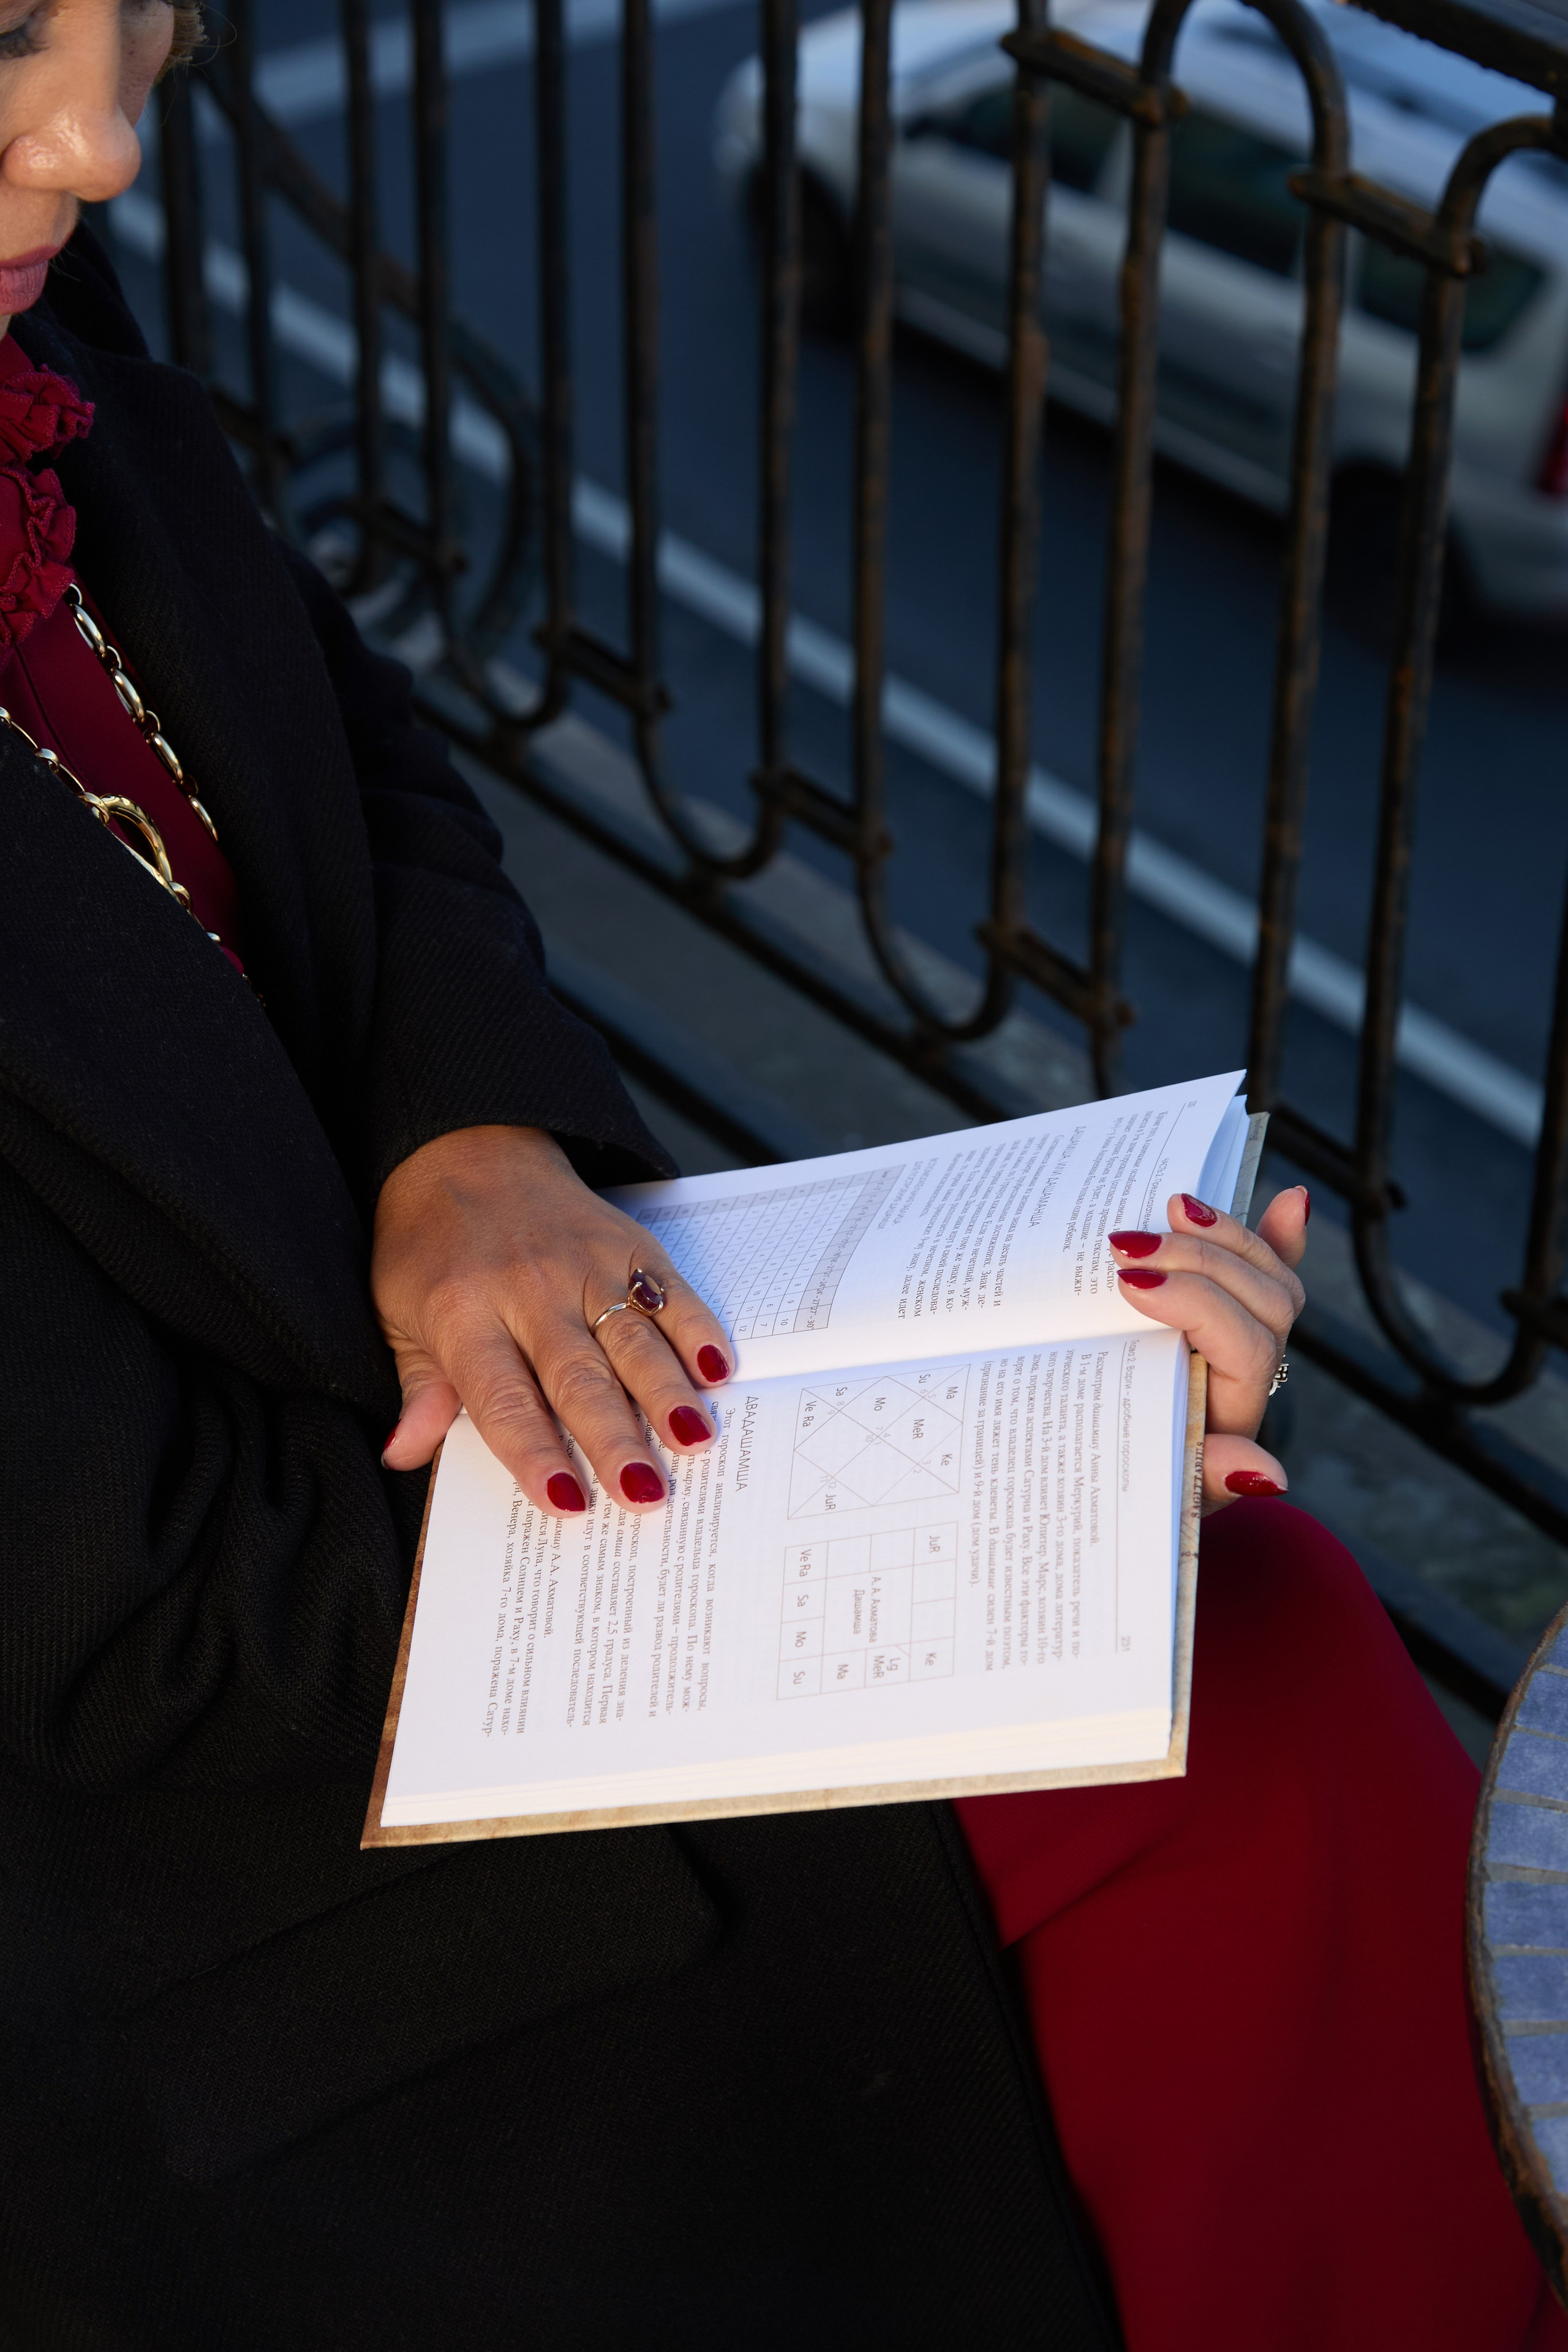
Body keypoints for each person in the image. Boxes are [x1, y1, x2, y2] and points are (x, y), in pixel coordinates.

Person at [0, 4, 1556, 2346]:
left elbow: (358, 746)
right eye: (18, 36)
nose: (106, 144)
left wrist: (475, 1140)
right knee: (1248, 1714)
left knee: (1263, 1637)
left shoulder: (41, 303)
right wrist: (941, 1495)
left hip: (464, 1530)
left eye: (158, 26)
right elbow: (145, 1631)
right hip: (247, 1863)